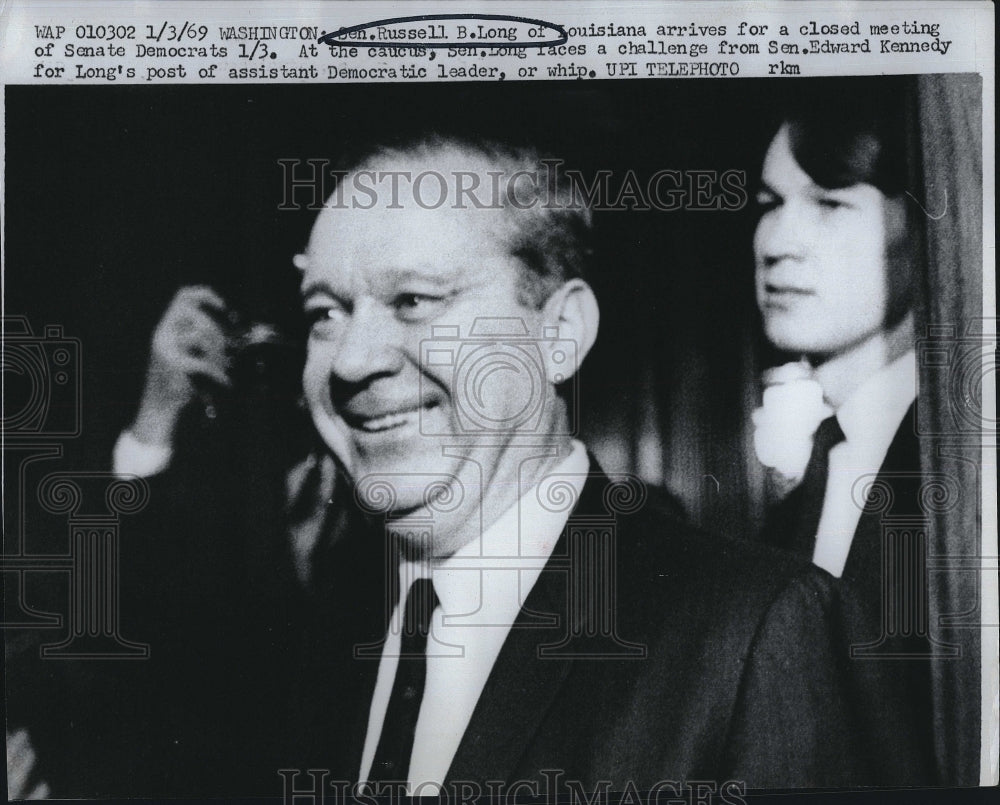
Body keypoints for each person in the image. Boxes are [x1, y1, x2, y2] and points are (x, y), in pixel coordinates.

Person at [23, 136, 855, 798]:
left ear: (558, 333)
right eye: (325, 313)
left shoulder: (748, 633)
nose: (350, 361)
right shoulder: (316, 643)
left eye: (414, 300)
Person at [751, 94, 938, 785]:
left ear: (923, 227)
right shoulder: (801, 496)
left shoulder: (963, 469)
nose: (776, 241)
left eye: (830, 203)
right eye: (769, 202)